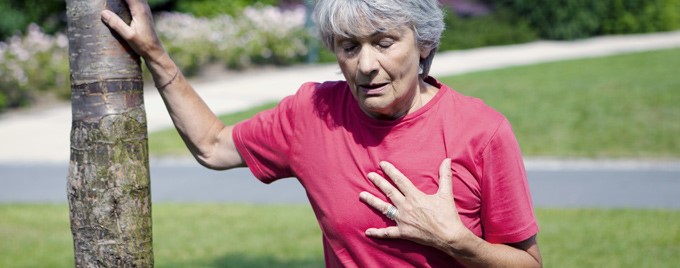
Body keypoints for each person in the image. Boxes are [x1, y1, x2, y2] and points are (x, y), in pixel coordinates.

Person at [101, 0, 543, 267]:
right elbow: (213, 145)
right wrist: (154, 54)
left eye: (384, 42)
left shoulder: (482, 132)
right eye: (350, 47)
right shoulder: (313, 114)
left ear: (424, 43)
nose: (366, 65)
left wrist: (456, 241)